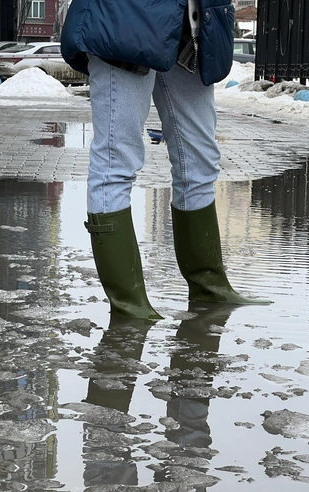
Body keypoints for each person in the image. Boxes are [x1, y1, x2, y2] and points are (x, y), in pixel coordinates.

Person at [61, 0, 268, 320]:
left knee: (200, 159)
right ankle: (130, 305)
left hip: (193, 22)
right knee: (116, 159)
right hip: (126, 17)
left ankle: (209, 285)